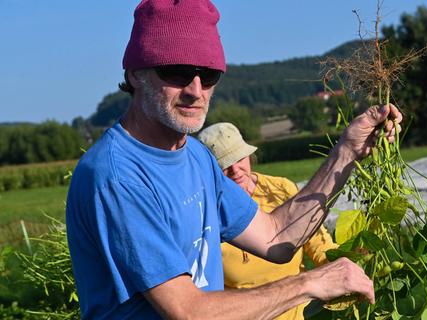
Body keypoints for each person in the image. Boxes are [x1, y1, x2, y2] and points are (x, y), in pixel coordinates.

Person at [65, 0, 403, 319]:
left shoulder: (196, 156)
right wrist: (309, 283)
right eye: (178, 72)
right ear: (137, 73)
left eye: (208, 75)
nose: (196, 90)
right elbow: (188, 311)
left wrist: (348, 150)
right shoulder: (117, 175)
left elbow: (275, 238)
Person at [198, 122, 338, 320]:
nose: (236, 170)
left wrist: (344, 260)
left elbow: (317, 243)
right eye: (224, 165)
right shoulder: (206, 215)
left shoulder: (279, 189)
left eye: (239, 158)